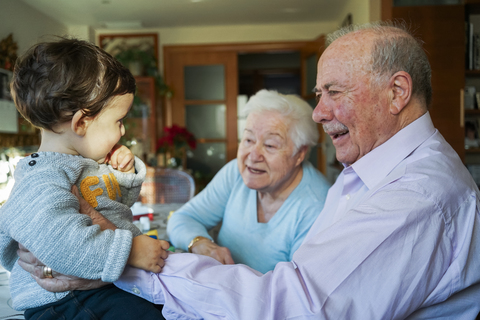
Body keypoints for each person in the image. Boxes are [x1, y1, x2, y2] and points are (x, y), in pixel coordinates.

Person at [18, 22, 480, 319]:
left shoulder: (416, 196)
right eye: (248, 138)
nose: (321, 113)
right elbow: (185, 218)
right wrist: (187, 245)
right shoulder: (368, 175)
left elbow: (297, 305)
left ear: (397, 92)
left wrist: (121, 262)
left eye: (334, 92)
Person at [0, 38, 170, 318]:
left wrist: (121, 175)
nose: (123, 131)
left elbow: (116, 209)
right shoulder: (41, 180)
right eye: (118, 121)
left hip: (94, 290)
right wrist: (131, 252)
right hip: (64, 303)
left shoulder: (83, 163)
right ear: (81, 123)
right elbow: (61, 243)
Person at [167, 89, 330, 273]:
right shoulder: (236, 173)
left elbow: (297, 291)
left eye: (270, 145)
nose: (253, 155)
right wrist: (200, 243)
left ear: (300, 154)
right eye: (248, 139)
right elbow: (182, 218)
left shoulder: (317, 207)